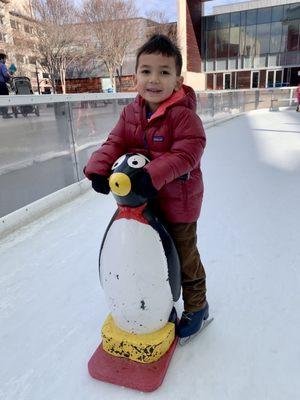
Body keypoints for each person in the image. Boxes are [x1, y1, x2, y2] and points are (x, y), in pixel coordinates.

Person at [84, 34, 208, 339]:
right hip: (143, 202)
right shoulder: (131, 113)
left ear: (178, 81)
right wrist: (99, 169)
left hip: (179, 204)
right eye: (146, 71)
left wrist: (152, 174)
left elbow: (187, 153)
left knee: (184, 255)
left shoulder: (183, 116)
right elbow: (116, 142)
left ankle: (197, 306)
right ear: (136, 76)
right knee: (145, 256)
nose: (154, 79)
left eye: (164, 72)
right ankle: (156, 300)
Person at [0, 53, 13, 118]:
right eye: (5, 59)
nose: (5, 60)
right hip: (1, 84)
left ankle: (2, 112)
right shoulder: (2, 65)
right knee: (5, 98)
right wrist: (10, 75)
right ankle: (5, 114)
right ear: (2, 59)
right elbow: (5, 74)